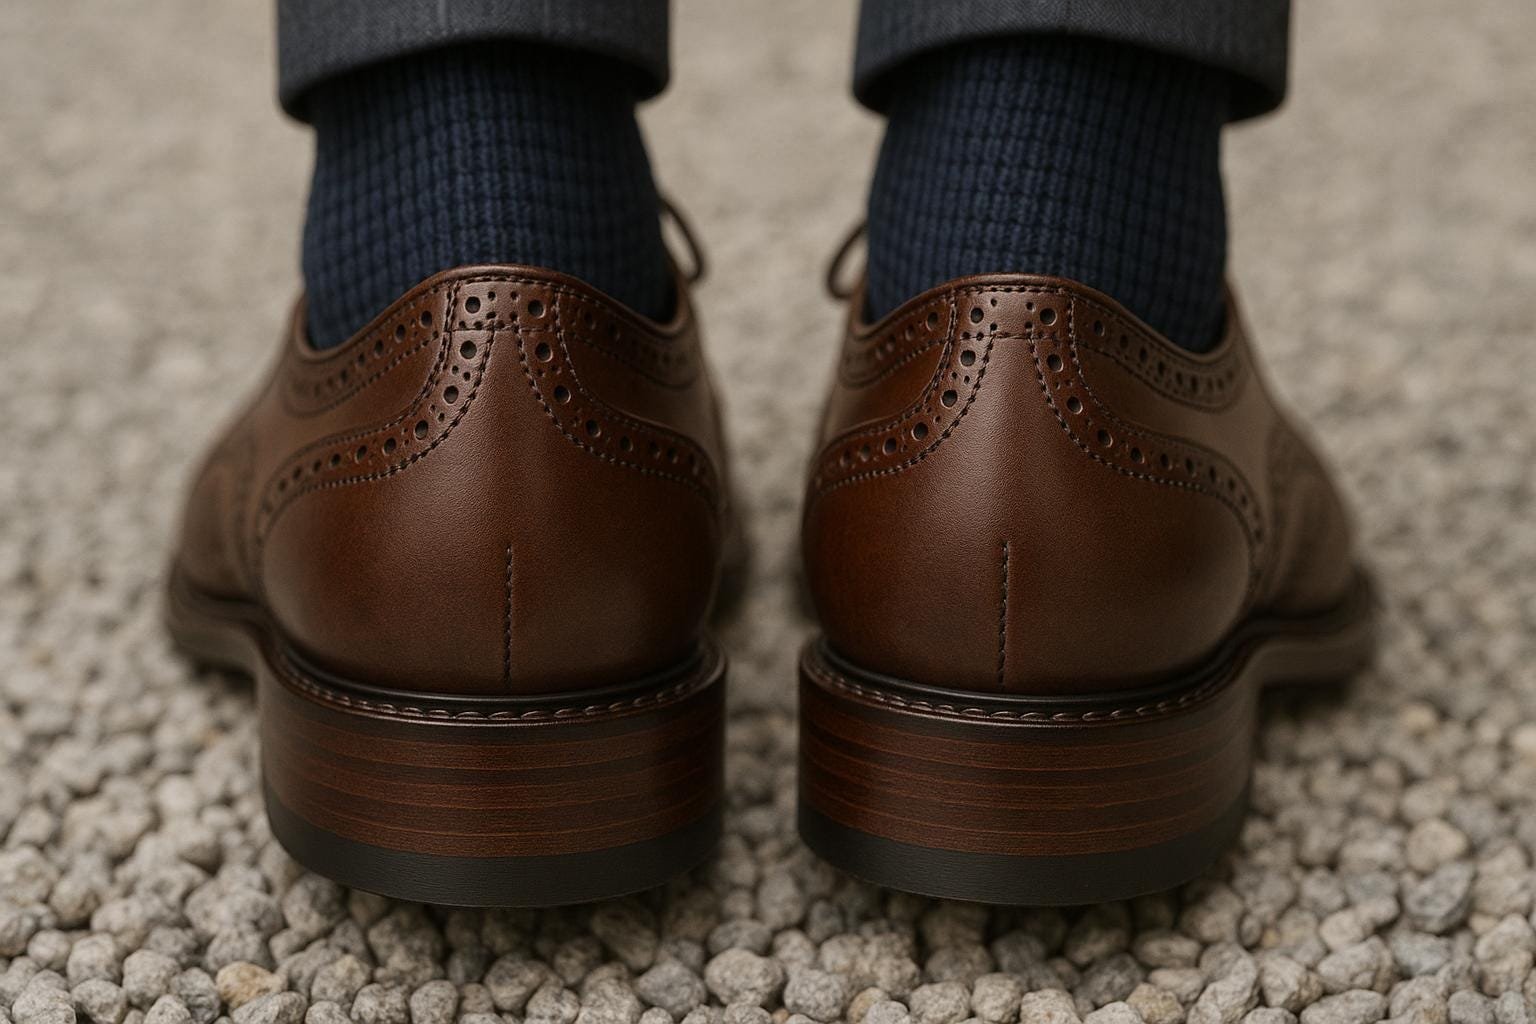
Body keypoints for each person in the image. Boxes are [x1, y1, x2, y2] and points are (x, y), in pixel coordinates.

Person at [166, 1, 1371, 907]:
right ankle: (1090, 253)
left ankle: (438, 230)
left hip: (393, 514)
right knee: (1063, 153)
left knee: (468, 138)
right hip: (1133, 520)